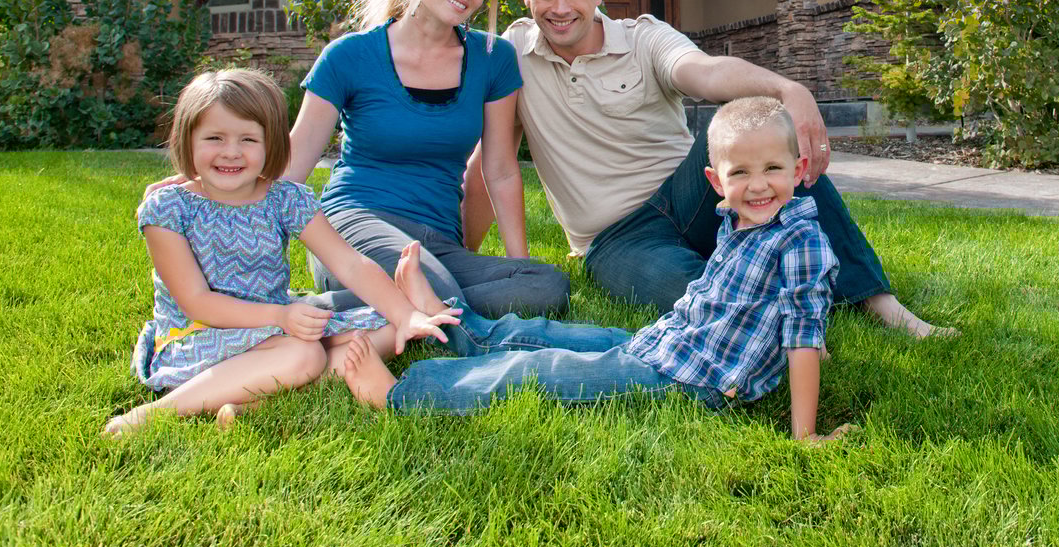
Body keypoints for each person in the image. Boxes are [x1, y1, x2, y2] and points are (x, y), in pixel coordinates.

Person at [465, 0, 954, 337]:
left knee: (768, 131)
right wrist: (467, 259)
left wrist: (788, 90)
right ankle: (772, 305)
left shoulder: (643, 37)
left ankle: (877, 299)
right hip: (613, 239)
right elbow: (492, 165)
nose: (560, 7)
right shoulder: (512, 55)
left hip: (695, 193)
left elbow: (708, 73)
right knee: (687, 295)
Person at [340, 97, 852, 442]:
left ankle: (401, 395)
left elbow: (802, 339)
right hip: (671, 341)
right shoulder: (736, 217)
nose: (758, 186)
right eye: (740, 173)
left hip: (696, 380)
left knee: (545, 372)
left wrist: (805, 435)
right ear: (715, 182)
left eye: (773, 170)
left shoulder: (800, 242)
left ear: (799, 171)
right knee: (552, 335)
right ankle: (459, 325)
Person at [106, 69, 458, 436]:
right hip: (200, 336)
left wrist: (403, 316)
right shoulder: (169, 209)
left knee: (386, 328)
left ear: (271, 143)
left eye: (248, 139)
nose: (231, 152)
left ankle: (254, 402)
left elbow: (350, 264)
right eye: (214, 137)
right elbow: (197, 302)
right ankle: (158, 411)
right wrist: (282, 316)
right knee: (305, 354)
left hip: (273, 330)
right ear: (187, 140)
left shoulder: (284, 199)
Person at [289, 0, 570, 318]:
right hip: (354, 224)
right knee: (429, 282)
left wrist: (517, 265)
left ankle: (344, 311)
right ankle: (413, 303)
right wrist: (210, 188)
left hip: (438, 240)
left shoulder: (493, 60)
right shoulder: (348, 56)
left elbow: (501, 171)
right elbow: (291, 167)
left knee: (547, 285)